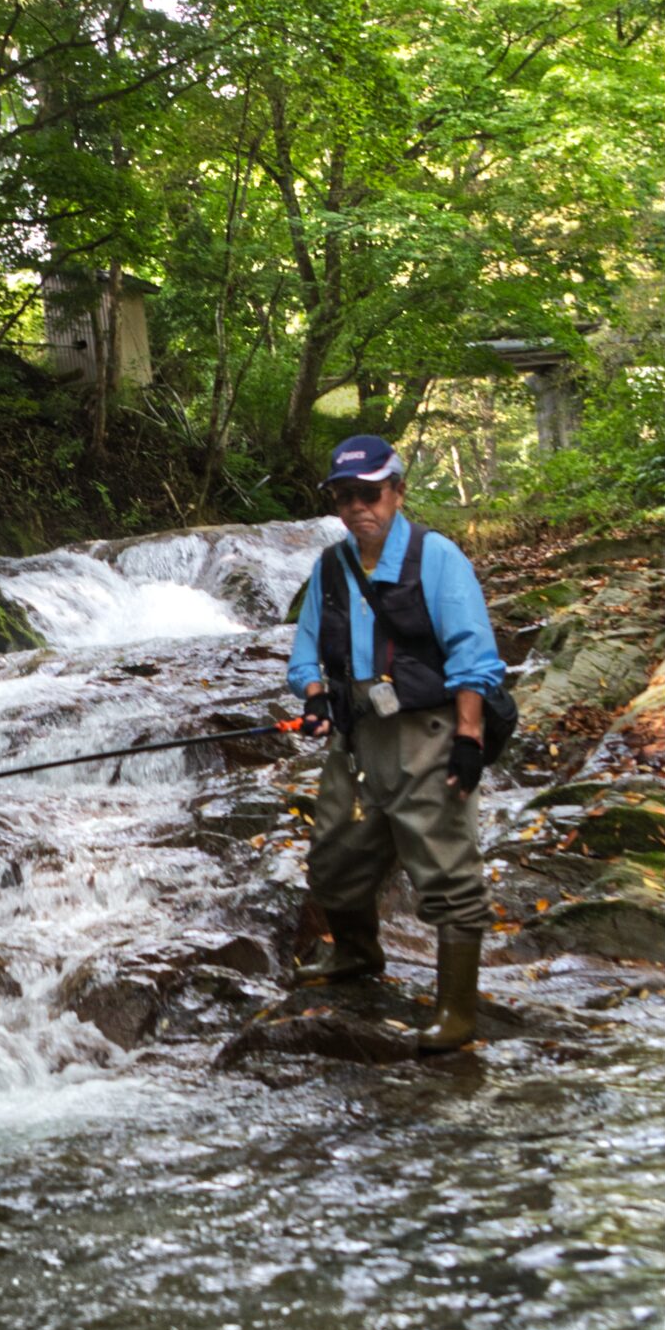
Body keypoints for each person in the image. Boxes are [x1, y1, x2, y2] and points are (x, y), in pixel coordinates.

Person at [286, 433, 507, 1050]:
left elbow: (474, 654)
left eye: (370, 492)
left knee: (445, 868)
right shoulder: (329, 567)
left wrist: (469, 734)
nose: (358, 505)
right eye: (344, 494)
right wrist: (314, 696)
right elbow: (306, 649)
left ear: (398, 491)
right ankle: (356, 955)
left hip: (430, 732)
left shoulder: (438, 558)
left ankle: (456, 1012)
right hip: (358, 738)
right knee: (334, 856)